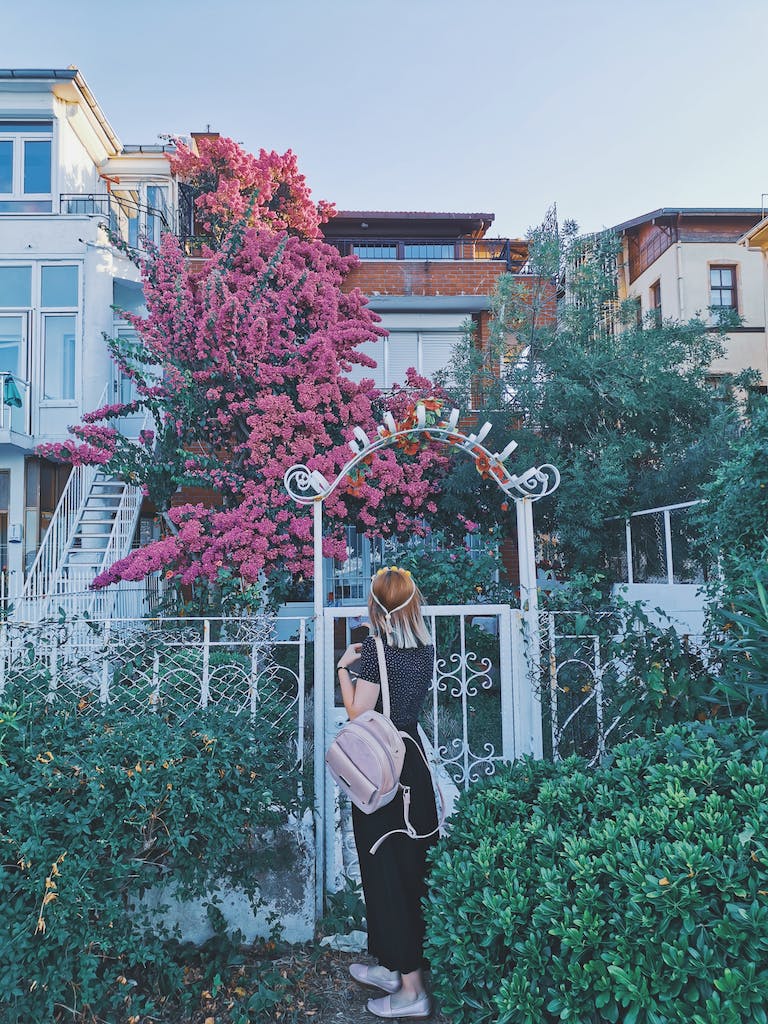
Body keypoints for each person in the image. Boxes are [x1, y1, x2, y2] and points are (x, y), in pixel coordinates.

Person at [335, 566, 438, 1020]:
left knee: (387, 872)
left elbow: (359, 711)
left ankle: (410, 992)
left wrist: (344, 668)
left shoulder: (375, 654)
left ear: (376, 605)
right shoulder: (424, 647)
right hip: (411, 760)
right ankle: (396, 969)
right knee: (408, 867)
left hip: (383, 769)